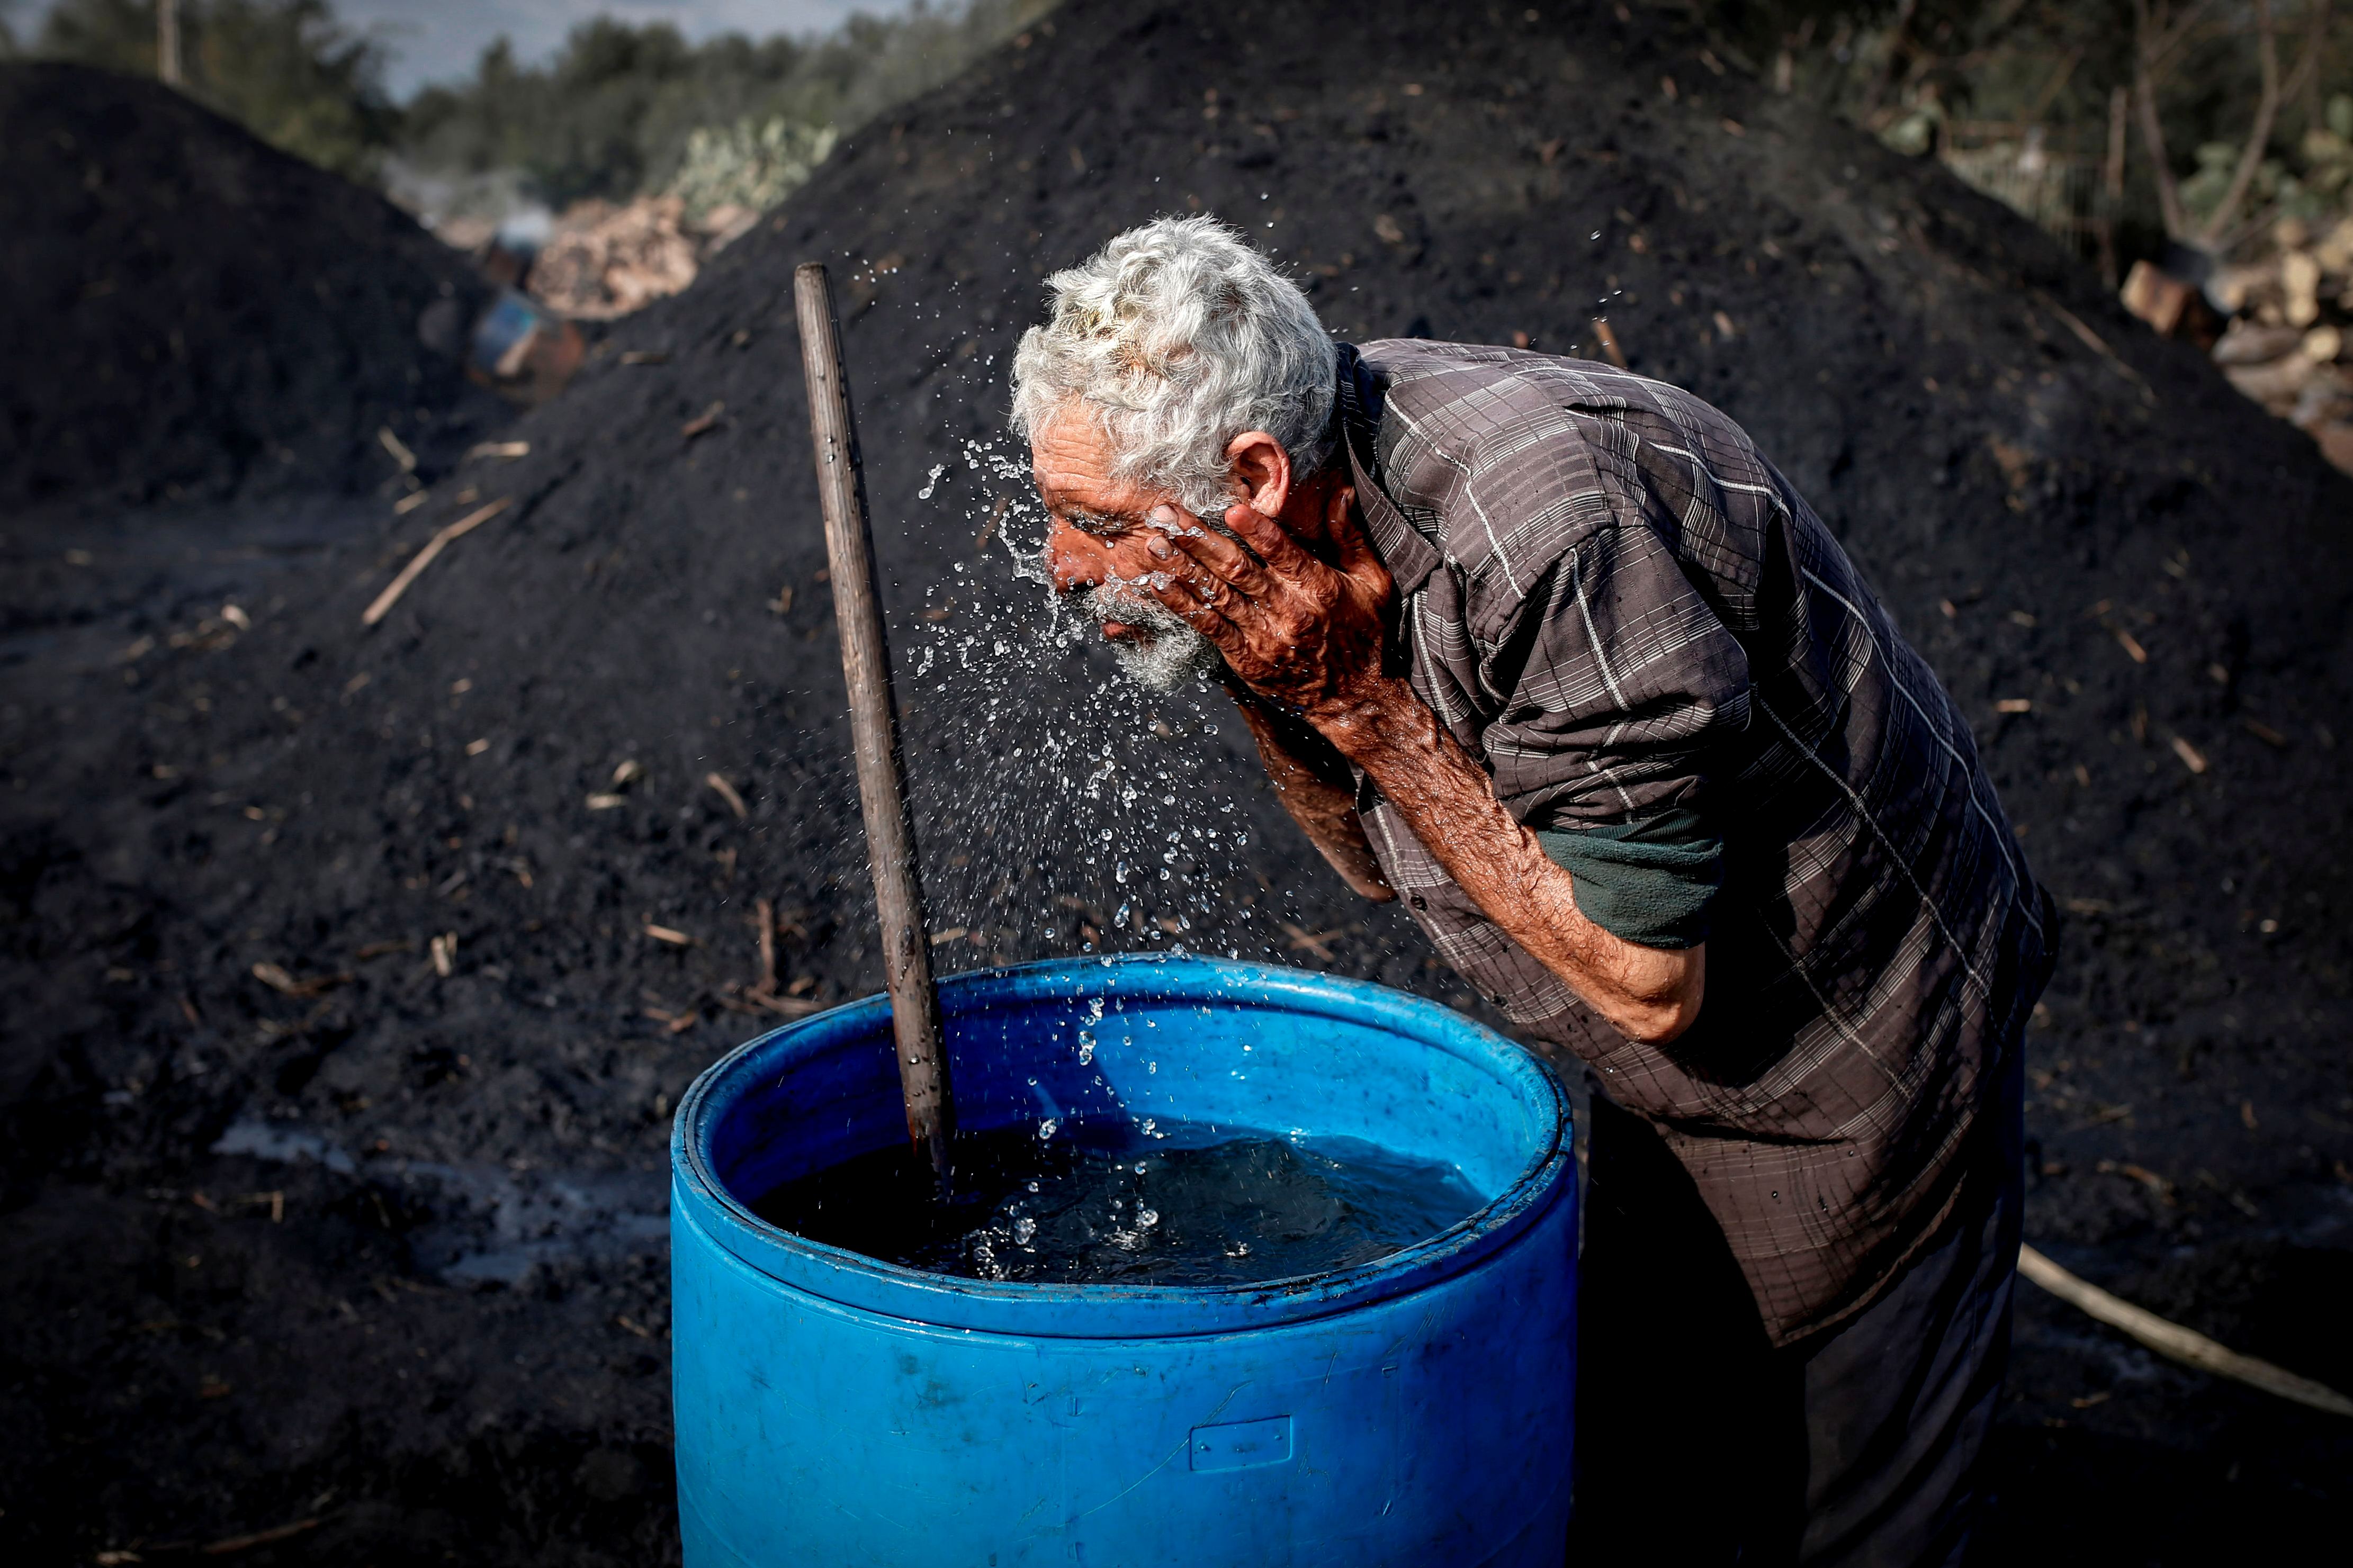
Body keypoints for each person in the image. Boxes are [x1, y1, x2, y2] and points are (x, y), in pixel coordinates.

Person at [1009, 215, 2053, 1566]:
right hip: (1638, 1065)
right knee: (1652, 1468)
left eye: (1091, 524)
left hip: (1866, 1041)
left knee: (1851, 1520)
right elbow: (1371, 869)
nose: (1062, 567)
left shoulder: (1549, 532)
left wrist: (1361, 704)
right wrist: (1282, 682)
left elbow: (1645, 976)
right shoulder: (1272, 539)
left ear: (1252, 475)